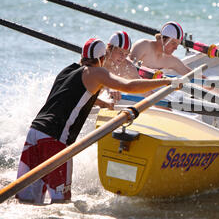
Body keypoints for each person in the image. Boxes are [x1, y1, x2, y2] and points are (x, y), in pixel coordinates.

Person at [15, 38, 180, 204]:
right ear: (102, 59)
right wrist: (167, 82)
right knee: (61, 203)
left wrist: (104, 103)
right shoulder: (97, 73)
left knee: (25, 200)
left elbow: (71, 97)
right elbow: (129, 86)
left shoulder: (68, 71)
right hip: (55, 140)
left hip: (34, 133)